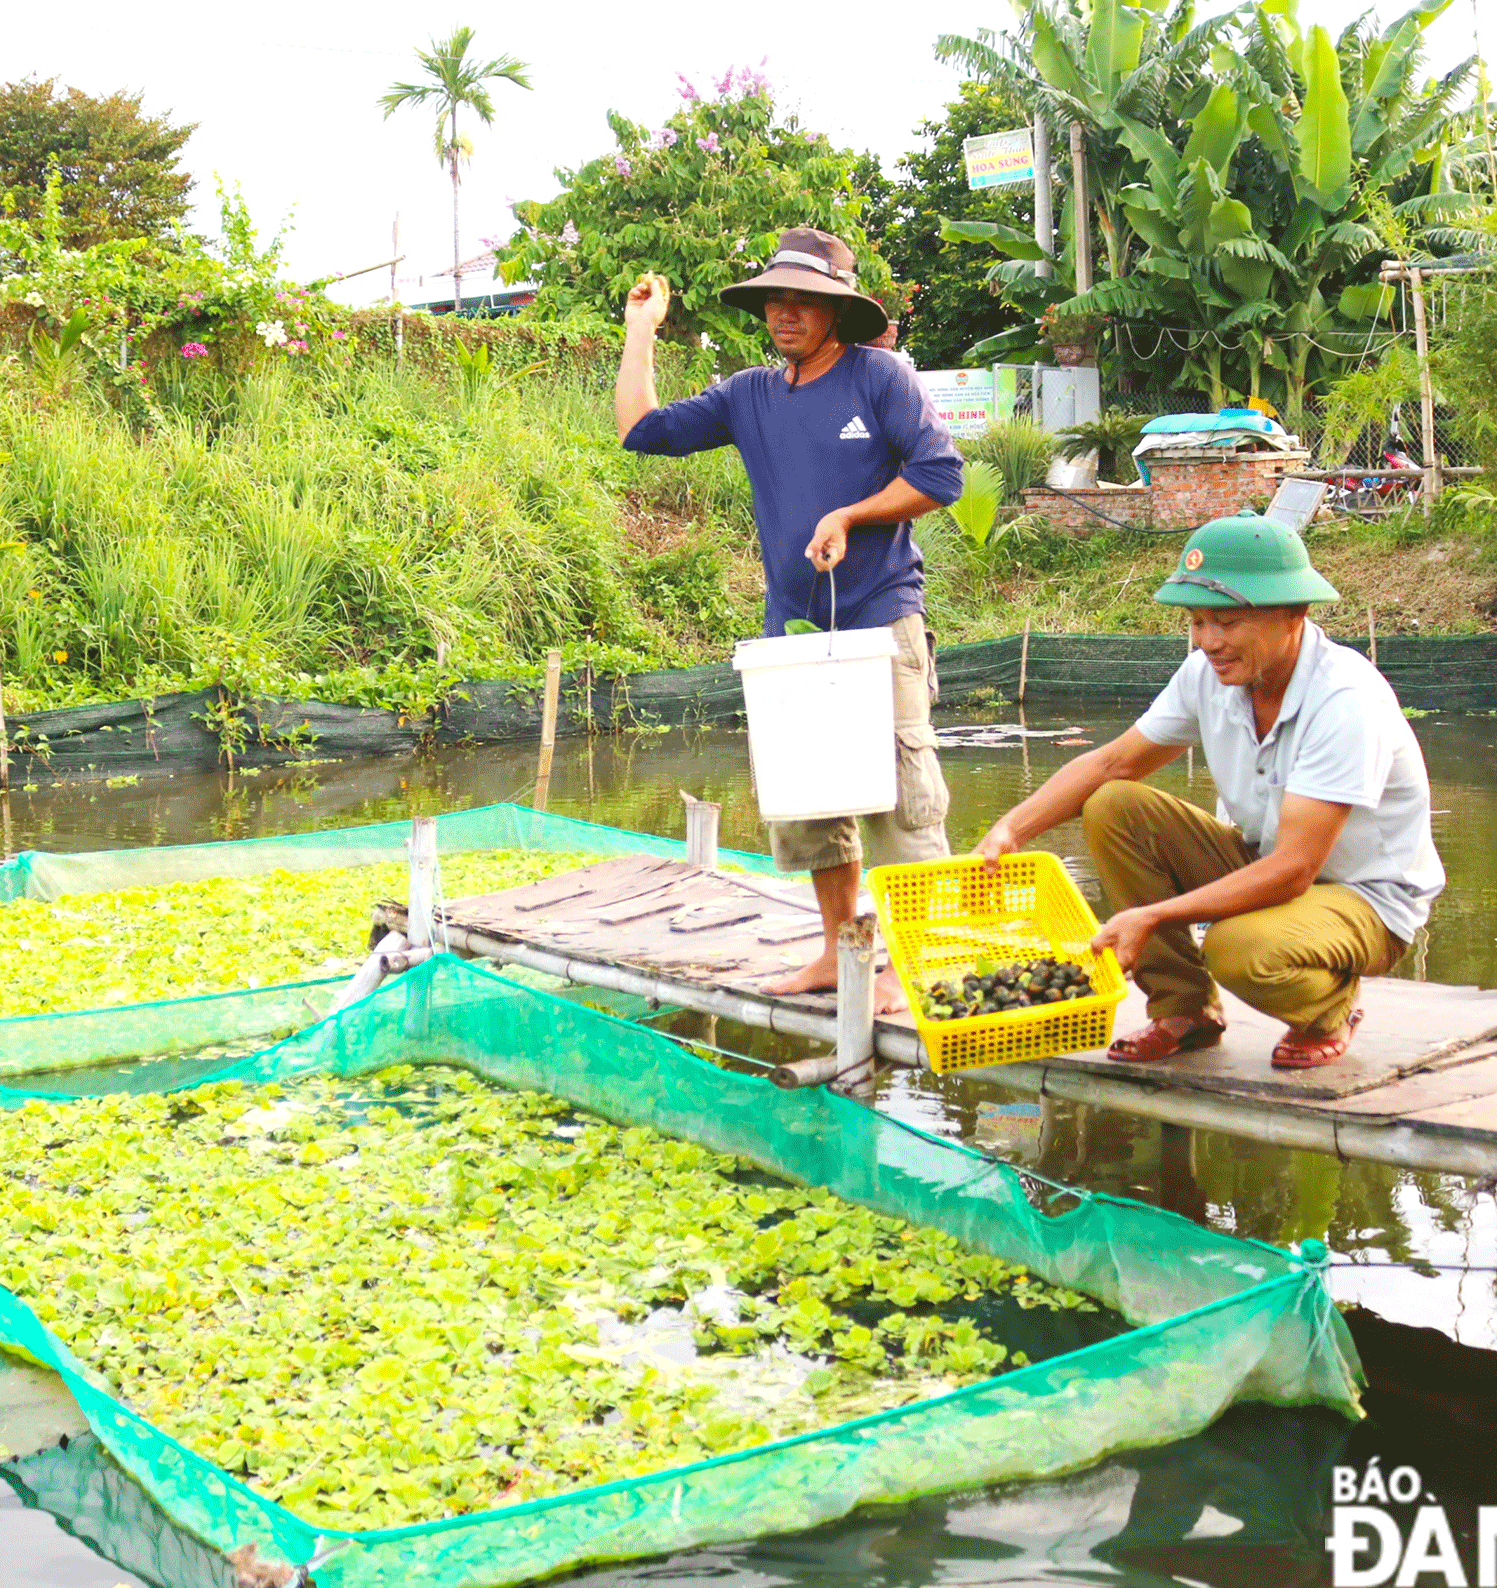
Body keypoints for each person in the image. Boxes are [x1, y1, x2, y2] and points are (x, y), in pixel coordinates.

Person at [615, 227, 965, 1004]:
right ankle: (841, 955)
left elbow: (942, 476)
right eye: (777, 297)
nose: (786, 311)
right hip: (795, 635)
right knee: (812, 804)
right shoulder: (749, 395)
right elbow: (641, 431)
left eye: (805, 299)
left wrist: (851, 513)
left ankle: (914, 970)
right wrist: (641, 329)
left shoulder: (881, 379)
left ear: (836, 310)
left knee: (904, 804)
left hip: (882, 619)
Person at [966, 516, 1445, 1069]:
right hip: (1265, 857)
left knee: (1238, 949)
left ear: (1295, 614)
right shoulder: (1209, 675)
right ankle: (1184, 1010)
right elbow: (1113, 762)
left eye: (1226, 621)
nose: (1208, 641)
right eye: (1196, 622)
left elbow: (1294, 869)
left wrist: (1152, 916)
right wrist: (1011, 828)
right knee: (1114, 804)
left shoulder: (1344, 698)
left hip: (1364, 898)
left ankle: (1329, 1009)